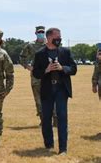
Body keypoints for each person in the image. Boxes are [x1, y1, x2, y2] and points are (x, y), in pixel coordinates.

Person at [33, 27, 77, 155]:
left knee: (62, 118)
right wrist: (46, 70)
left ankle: (63, 148)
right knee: (46, 118)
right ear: (49, 38)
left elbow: (74, 68)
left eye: (60, 36)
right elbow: (36, 73)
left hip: (61, 90)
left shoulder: (65, 52)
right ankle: (49, 144)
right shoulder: (40, 54)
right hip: (47, 90)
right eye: (57, 36)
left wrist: (62, 68)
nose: (59, 39)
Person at [20, 25, 57, 126]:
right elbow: (22, 57)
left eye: (42, 32)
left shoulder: (50, 44)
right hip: (36, 76)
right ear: (36, 33)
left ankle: (55, 119)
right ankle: (43, 119)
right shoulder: (30, 45)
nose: (41, 34)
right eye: (39, 32)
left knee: (51, 97)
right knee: (38, 99)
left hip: (50, 75)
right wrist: (28, 67)